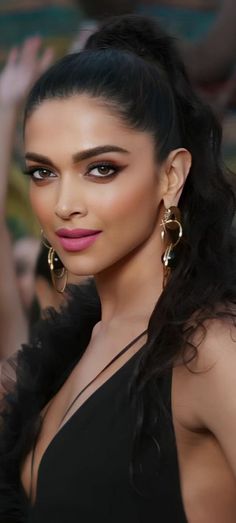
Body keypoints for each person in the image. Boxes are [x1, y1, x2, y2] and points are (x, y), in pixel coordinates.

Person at [0, 14, 236, 522]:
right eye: (43, 172)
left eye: (100, 168)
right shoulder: (78, 348)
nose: (65, 203)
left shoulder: (212, 349)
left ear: (171, 176)